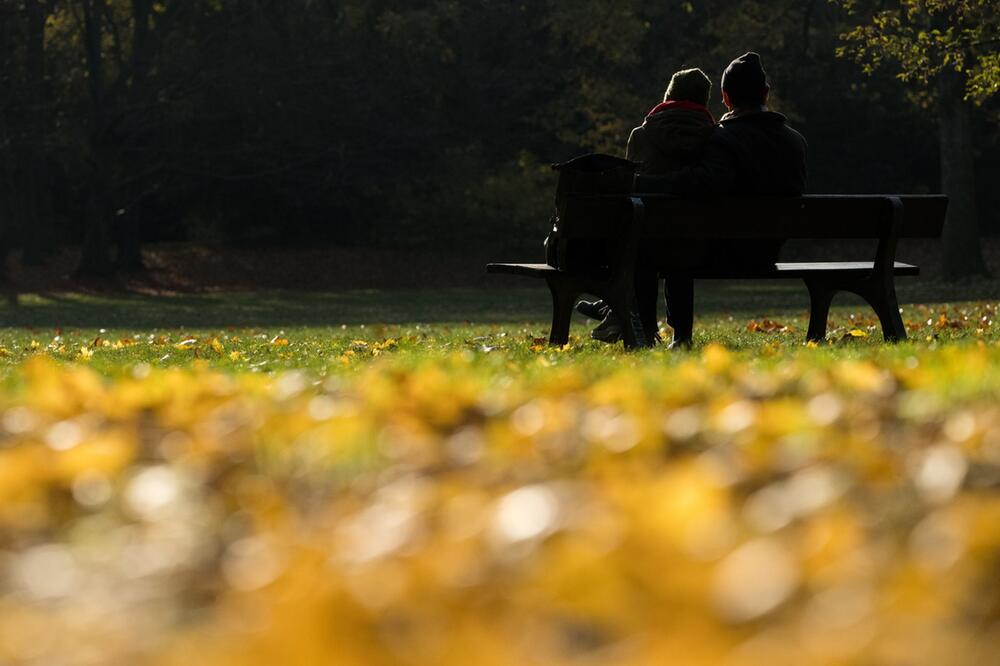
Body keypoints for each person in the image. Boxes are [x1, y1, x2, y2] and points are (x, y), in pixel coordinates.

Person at [635, 52, 808, 348]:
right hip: (768, 252)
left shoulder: (723, 138)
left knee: (670, 244)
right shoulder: (795, 142)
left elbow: (700, 183)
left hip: (722, 252)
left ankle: (678, 336)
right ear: (766, 93)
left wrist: (643, 183)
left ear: (726, 98)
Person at [576, 67, 717, 343]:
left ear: (668, 96)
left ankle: (638, 325)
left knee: (643, 242)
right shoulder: (715, 138)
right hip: (698, 243)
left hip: (645, 243)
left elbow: (629, 193)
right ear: (704, 100)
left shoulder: (642, 134)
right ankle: (680, 337)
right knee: (677, 246)